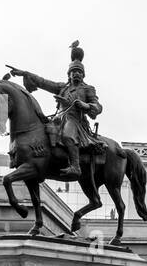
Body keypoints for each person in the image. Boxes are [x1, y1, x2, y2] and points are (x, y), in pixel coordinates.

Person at [7, 40, 101, 178]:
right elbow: (43, 82)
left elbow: (97, 107)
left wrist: (84, 105)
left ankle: (75, 166)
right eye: (73, 71)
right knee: (40, 132)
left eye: (79, 72)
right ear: (69, 74)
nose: (76, 74)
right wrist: (25, 73)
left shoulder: (88, 89)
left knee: (68, 136)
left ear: (83, 75)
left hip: (75, 121)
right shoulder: (62, 87)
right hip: (58, 120)